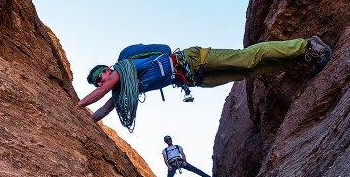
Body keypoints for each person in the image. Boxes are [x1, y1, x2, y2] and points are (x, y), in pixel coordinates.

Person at [79, 37, 333, 129]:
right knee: (246, 72)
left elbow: (102, 92)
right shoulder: (122, 89)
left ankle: (305, 45)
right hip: (192, 78)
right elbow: (105, 108)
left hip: (193, 59)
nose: (100, 81)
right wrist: (85, 120)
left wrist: (76, 105)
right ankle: (301, 60)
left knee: (245, 59)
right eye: (96, 81)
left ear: (107, 69)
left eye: (99, 76)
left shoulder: (124, 68)